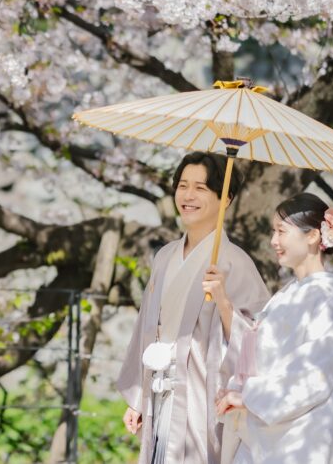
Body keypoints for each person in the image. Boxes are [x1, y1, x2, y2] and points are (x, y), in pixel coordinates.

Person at [117, 152, 270, 464]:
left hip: (201, 399)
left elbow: (260, 342)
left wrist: (224, 301)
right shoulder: (164, 257)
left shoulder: (234, 263)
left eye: (200, 188)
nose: (187, 195)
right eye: (182, 185)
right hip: (159, 394)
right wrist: (138, 396)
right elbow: (147, 329)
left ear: (224, 198)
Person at [214, 192, 333, 464]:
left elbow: (311, 377)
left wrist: (248, 395)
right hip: (262, 431)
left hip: (295, 440)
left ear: (312, 236)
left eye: (281, 231)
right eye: (273, 232)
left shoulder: (322, 300)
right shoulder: (289, 296)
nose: (274, 241)